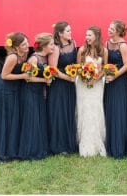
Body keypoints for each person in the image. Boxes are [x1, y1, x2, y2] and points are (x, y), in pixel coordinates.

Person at [0, 32, 29, 161]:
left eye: (27, 42)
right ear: (17, 47)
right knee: (6, 119)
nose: (27, 45)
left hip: (13, 88)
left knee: (12, 119)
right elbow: (4, 76)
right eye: (24, 44)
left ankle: (10, 148)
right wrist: (23, 76)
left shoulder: (22, 55)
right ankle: (3, 151)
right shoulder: (12, 57)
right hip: (4, 90)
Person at [18, 33, 54, 160]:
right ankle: (30, 150)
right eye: (51, 44)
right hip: (30, 92)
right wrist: (44, 81)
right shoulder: (34, 59)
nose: (53, 47)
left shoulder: (46, 57)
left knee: (39, 119)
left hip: (39, 92)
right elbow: (28, 78)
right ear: (43, 46)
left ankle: (40, 147)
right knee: (32, 120)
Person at [76, 26, 108, 157]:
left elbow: (105, 68)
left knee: (96, 109)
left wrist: (95, 79)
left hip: (97, 84)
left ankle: (97, 141)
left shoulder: (103, 50)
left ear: (97, 36)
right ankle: (84, 143)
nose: (87, 37)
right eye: (86, 35)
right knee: (84, 110)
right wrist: (84, 78)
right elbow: (78, 67)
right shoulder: (82, 50)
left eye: (90, 35)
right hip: (83, 85)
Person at [47, 21, 78, 155]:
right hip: (59, 84)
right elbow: (53, 69)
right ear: (60, 34)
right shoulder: (55, 48)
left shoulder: (73, 43)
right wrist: (68, 78)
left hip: (70, 84)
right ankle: (59, 146)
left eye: (70, 30)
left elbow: (76, 63)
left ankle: (69, 142)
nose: (71, 33)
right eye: (68, 31)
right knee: (59, 112)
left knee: (69, 110)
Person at [104, 20, 127, 159]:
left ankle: (119, 147)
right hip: (109, 81)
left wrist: (114, 76)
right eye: (109, 27)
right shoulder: (107, 43)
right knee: (109, 110)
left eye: (112, 28)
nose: (109, 30)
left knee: (118, 112)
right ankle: (110, 144)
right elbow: (105, 62)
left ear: (118, 31)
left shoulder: (123, 45)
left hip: (119, 82)